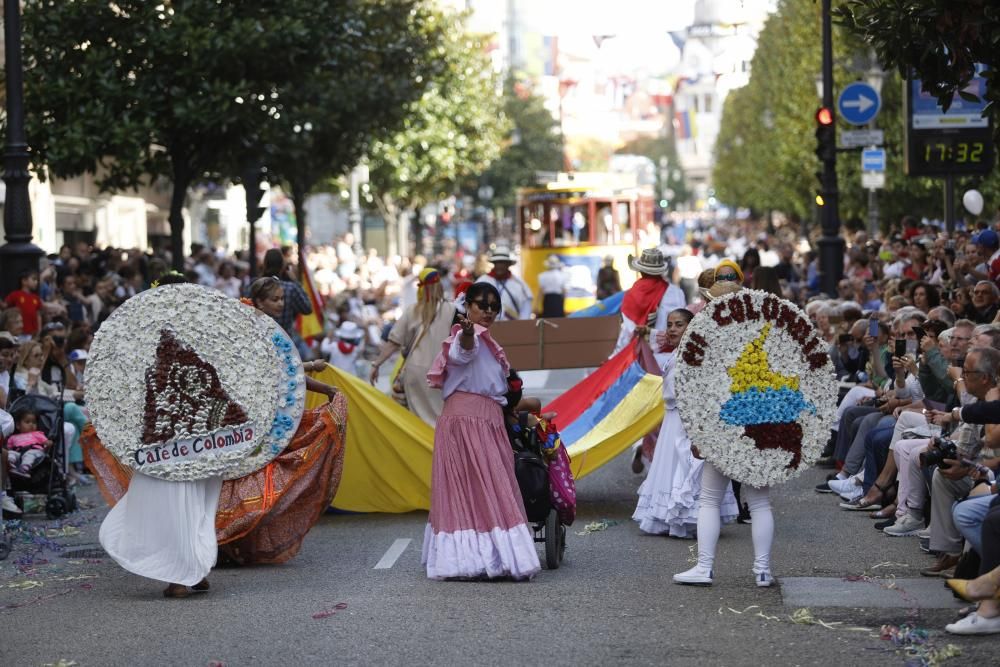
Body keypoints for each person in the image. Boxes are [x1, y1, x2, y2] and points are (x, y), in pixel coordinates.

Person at [97, 276, 344, 598]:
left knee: (187, 504)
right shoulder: (190, 332)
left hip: (190, 440)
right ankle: (183, 573)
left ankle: (191, 569)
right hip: (178, 441)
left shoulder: (203, 331)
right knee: (186, 504)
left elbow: (251, 373)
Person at [422, 282, 541, 580]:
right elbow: (463, 353)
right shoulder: (465, 338)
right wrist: (465, 334)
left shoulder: (488, 341)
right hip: (466, 423)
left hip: (488, 421)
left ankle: (492, 557)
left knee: (490, 488)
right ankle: (467, 560)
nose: (488, 311)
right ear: (467, 307)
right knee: (474, 489)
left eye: (493, 306)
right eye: (481, 305)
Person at [673, 280, 776, 589]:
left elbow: (702, 392)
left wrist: (699, 433)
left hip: (723, 425)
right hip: (757, 423)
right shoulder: (761, 335)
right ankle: (762, 570)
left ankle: (704, 568)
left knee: (709, 500)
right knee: (759, 502)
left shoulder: (710, 338)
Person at [633, 308, 738, 537]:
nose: (672, 329)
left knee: (688, 468)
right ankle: (671, 517)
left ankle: (688, 518)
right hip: (672, 420)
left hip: (687, 420)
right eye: (669, 324)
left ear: (691, 327)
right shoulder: (679, 353)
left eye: (678, 325)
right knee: (671, 468)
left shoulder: (697, 356)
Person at [370, 267, 458, 425]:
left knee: (417, 422)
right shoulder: (452, 310)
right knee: (438, 420)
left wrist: (376, 365)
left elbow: (393, 343)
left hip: (415, 373)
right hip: (442, 373)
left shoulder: (413, 311)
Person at [611, 248, 687, 356]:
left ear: (640, 271)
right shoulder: (676, 293)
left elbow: (626, 333)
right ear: (661, 271)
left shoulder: (631, 294)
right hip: (671, 356)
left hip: (640, 358)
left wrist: (613, 358)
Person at [475, 246, 533, 320]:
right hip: (487, 327)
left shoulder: (519, 284)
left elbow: (526, 308)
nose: (500, 265)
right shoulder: (482, 281)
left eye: (502, 262)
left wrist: (522, 325)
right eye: (497, 262)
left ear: (508, 264)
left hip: (513, 327)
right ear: (494, 263)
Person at [5, 408, 51, 478]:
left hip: (35, 452)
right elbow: (8, 448)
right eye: (27, 422)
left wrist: (48, 443)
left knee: (29, 454)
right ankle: (11, 463)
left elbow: (46, 442)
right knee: (11, 453)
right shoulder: (13, 437)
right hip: (19, 453)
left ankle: (24, 468)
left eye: (34, 422)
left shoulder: (37, 434)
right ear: (18, 425)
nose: (31, 424)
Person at [4, 270, 43, 339]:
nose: (36, 282)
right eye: (34, 279)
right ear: (24, 281)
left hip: (33, 334)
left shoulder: (36, 298)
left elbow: (38, 315)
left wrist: (39, 330)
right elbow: (5, 306)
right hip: (19, 333)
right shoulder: (15, 294)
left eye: (37, 280)